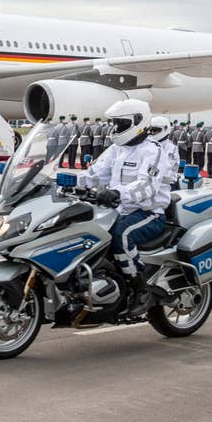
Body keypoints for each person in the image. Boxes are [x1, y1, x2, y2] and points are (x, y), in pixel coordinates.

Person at [81, 100, 171, 305]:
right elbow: (94, 175)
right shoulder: (117, 149)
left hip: (148, 213)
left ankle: (139, 286)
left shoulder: (153, 150)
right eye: (114, 124)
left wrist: (116, 193)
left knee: (121, 235)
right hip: (117, 210)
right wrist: (60, 182)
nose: (116, 129)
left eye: (120, 124)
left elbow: (146, 186)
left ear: (138, 121)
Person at [147, 115, 181, 188]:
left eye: (155, 130)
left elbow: (165, 167)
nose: (152, 132)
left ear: (165, 129)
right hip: (151, 184)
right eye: (151, 130)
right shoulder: (148, 144)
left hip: (168, 185)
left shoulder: (172, 148)